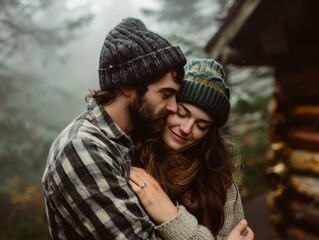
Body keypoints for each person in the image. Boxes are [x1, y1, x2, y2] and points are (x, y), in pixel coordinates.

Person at [42, 17, 188, 239]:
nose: (173, 107)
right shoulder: (81, 149)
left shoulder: (132, 137)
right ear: (128, 85)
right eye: (165, 94)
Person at [130, 58, 254, 240]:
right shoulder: (132, 160)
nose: (186, 129)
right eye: (181, 114)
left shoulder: (220, 181)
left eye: (202, 125)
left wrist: (171, 217)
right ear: (168, 106)